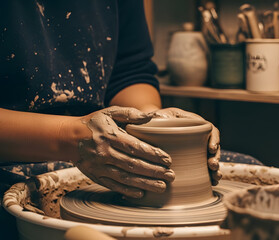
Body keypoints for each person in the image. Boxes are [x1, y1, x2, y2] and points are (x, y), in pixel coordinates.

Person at [0, 0, 221, 202]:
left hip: (97, 149)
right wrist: (71, 138)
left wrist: (151, 120)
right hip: (14, 153)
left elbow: (128, 71)